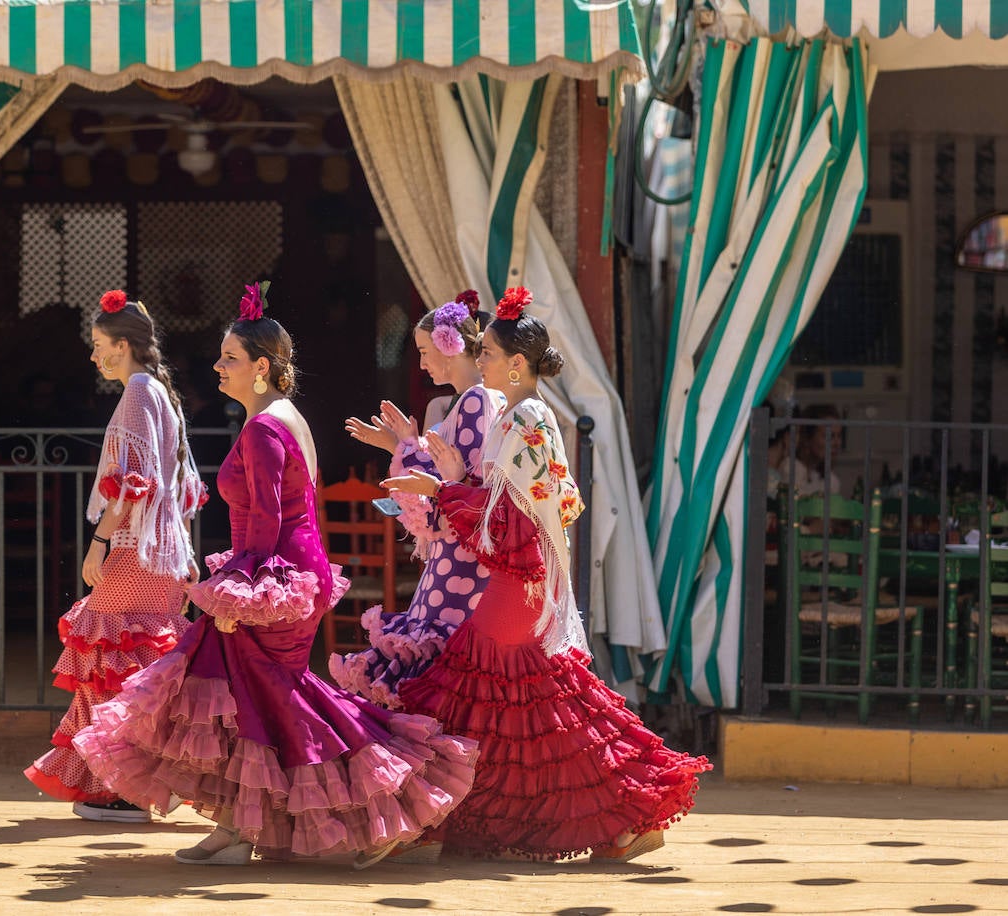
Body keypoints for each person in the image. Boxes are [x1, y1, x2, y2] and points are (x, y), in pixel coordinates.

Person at [71, 282, 478, 868]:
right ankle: (243, 826)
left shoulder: (264, 428)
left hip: (273, 578)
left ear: (262, 368)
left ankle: (383, 798)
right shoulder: (285, 417)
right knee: (253, 699)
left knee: (265, 695)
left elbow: (264, 522)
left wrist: (241, 597)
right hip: (290, 575)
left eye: (229, 359)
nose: (217, 366)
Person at [384, 287, 710, 863]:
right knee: (530, 702)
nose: (478, 360)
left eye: (486, 352)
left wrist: (442, 488)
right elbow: (526, 505)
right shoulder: (520, 415)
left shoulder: (527, 416)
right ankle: (532, 821)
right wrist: (455, 479)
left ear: (516, 363)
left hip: (517, 583)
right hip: (521, 581)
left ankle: (618, 811)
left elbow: (512, 519)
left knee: (522, 698)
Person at [24, 290, 209, 824]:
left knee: (111, 664)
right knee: (143, 673)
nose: (93, 356)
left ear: (123, 345)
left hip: (134, 550)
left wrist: (98, 541)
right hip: (161, 555)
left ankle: (127, 787)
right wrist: (185, 549)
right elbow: (182, 484)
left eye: (99, 345)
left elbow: (136, 484)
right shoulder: (161, 393)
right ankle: (135, 782)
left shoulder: (138, 393)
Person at [332, 291, 504, 707]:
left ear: (451, 345)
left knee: (439, 657)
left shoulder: (476, 400)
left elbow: (462, 486)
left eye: (426, 351)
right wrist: (401, 445)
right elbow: (451, 473)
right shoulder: (478, 399)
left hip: (461, 554)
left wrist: (406, 448)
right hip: (462, 551)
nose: (423, 363)